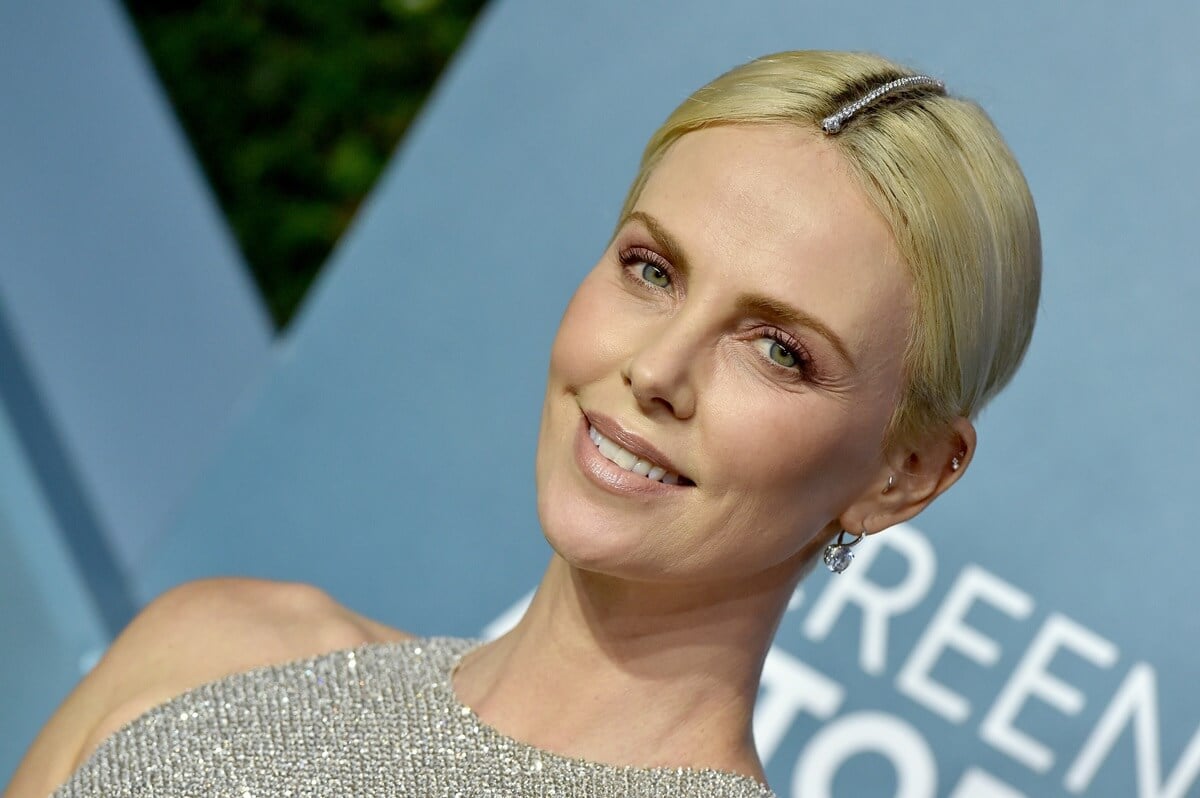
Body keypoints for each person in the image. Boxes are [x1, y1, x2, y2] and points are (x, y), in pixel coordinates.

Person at [6, 49, 1040, 797]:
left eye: (779, 350)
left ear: (904, 474)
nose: (658, 370)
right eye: (651, 269)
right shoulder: (214, 650)